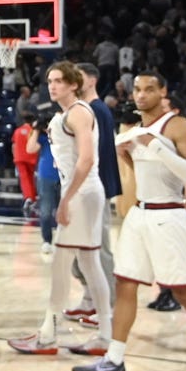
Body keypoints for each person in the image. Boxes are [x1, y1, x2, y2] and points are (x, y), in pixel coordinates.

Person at [72, 72, 186, 371]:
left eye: (149, 89)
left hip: (168, 215)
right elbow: (148, 172)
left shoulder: (177, 126)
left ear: (163, 91)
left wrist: (155, 147)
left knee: (183, 291)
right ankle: (114, 360)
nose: (141, 95)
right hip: (140, 213)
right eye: (137, 89)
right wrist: (129, 155)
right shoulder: (136, 130)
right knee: (126, 285)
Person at [9, 61, 112, 355]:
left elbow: (87, 159)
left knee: (61, 264)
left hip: (81, 191)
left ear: (73, 84)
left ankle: (47, 336)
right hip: (83, 191)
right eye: (50, 81)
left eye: (58, 81)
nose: (52, 85)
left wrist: (66, 200)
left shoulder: (79, 112)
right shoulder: (67, 114)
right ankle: (104, 334)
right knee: (90, 266)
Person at [62, 63, 122, 328]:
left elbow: (95, 156)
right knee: (81, 250)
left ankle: (106, 305)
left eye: (79, 77)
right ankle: (90, 298)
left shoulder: (95, 110)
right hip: (90, 185)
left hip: (96, 185)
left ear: (92, 80)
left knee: (99, 248)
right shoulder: (88, 110)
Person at [28, 106, 60, 254]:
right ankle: (47, 240)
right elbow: (30, 148)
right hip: (46, 176)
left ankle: (62, 240)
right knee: (46, 212)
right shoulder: (43, 137)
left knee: (63, 212)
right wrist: (36, 128)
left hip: (63, 175)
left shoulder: (63, 133)